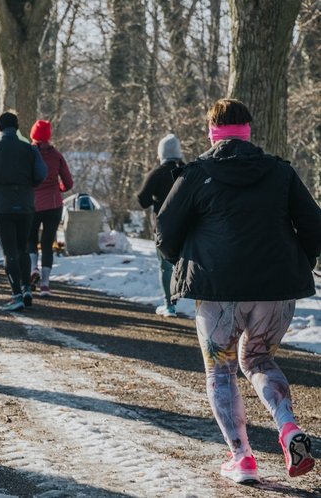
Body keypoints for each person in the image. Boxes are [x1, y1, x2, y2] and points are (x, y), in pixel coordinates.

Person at [157, 98, 320, 484]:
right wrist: (298, 261)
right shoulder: (281, 172)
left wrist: (186, 257)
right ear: (249, 129)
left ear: (211, 131)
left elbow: (165, 230)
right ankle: (288, 429)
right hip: (275, 290)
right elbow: (315, 224)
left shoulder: (196, 174)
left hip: (218, 288)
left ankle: (242, 458)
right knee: (259, 360)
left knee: (221, 370)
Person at [0, 111, 46, 311]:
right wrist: (30, 183)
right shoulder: (29, 149)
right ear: (16, 128)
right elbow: (41, 173)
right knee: (23, 248)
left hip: (3, 205)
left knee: (10, 252)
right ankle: (27, 289)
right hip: (26, 204)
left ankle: (16, 294)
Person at [136, 133, 184, 317]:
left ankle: (169, 305)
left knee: (165, 266)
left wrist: (157, 198)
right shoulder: (187, 171)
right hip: (187, 226)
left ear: (161, 153)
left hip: (163, 228)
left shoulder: (156, 174)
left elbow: (142, 200)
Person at [28, 119, 73, 296]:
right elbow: (68, 183)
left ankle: (33, 268)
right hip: (54, 205)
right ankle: (45, 284)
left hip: (32, 204)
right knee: (47, 244)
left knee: (30, 240)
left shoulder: (28, 154)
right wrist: (58, 189)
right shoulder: (56, 155)